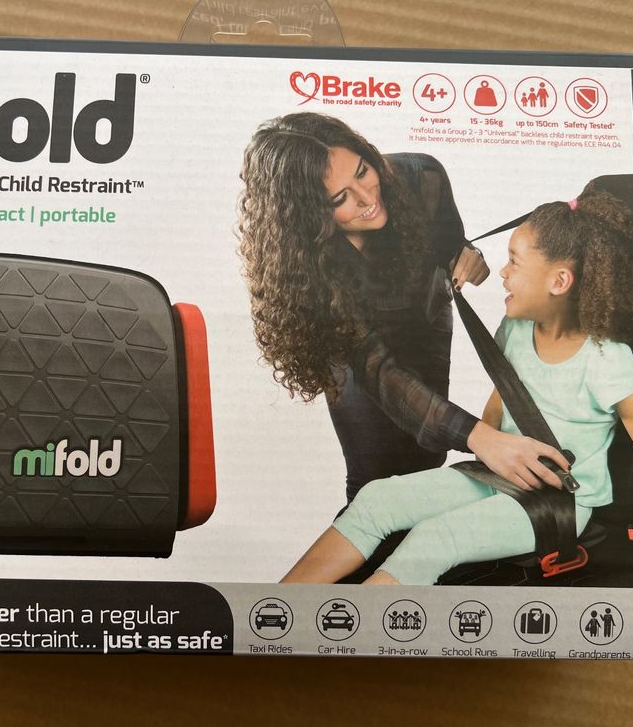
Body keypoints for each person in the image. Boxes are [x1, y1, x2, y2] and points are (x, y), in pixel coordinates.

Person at [280, 189, 633, 587]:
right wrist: (481, 450)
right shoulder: (516, 329)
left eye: (514, 262)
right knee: (377, 499)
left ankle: (351, 630)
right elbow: (505, 396)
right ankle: (277, 607)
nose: (502, 273)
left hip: (560, 503)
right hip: (499, 474)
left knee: (435, 537)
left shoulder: (608, 362)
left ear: (559, 282)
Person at [238, 112, 570, 504]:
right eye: (340, 199)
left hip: (424, 319)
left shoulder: (422, 177)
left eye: (363, 172)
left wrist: (464, 255)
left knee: (427, 456)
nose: (367, 199)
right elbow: (380, 372)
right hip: (356, 348)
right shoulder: (308, 269)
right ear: (310, 216)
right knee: (372, 475)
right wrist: (485, 440)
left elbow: (448, 242)